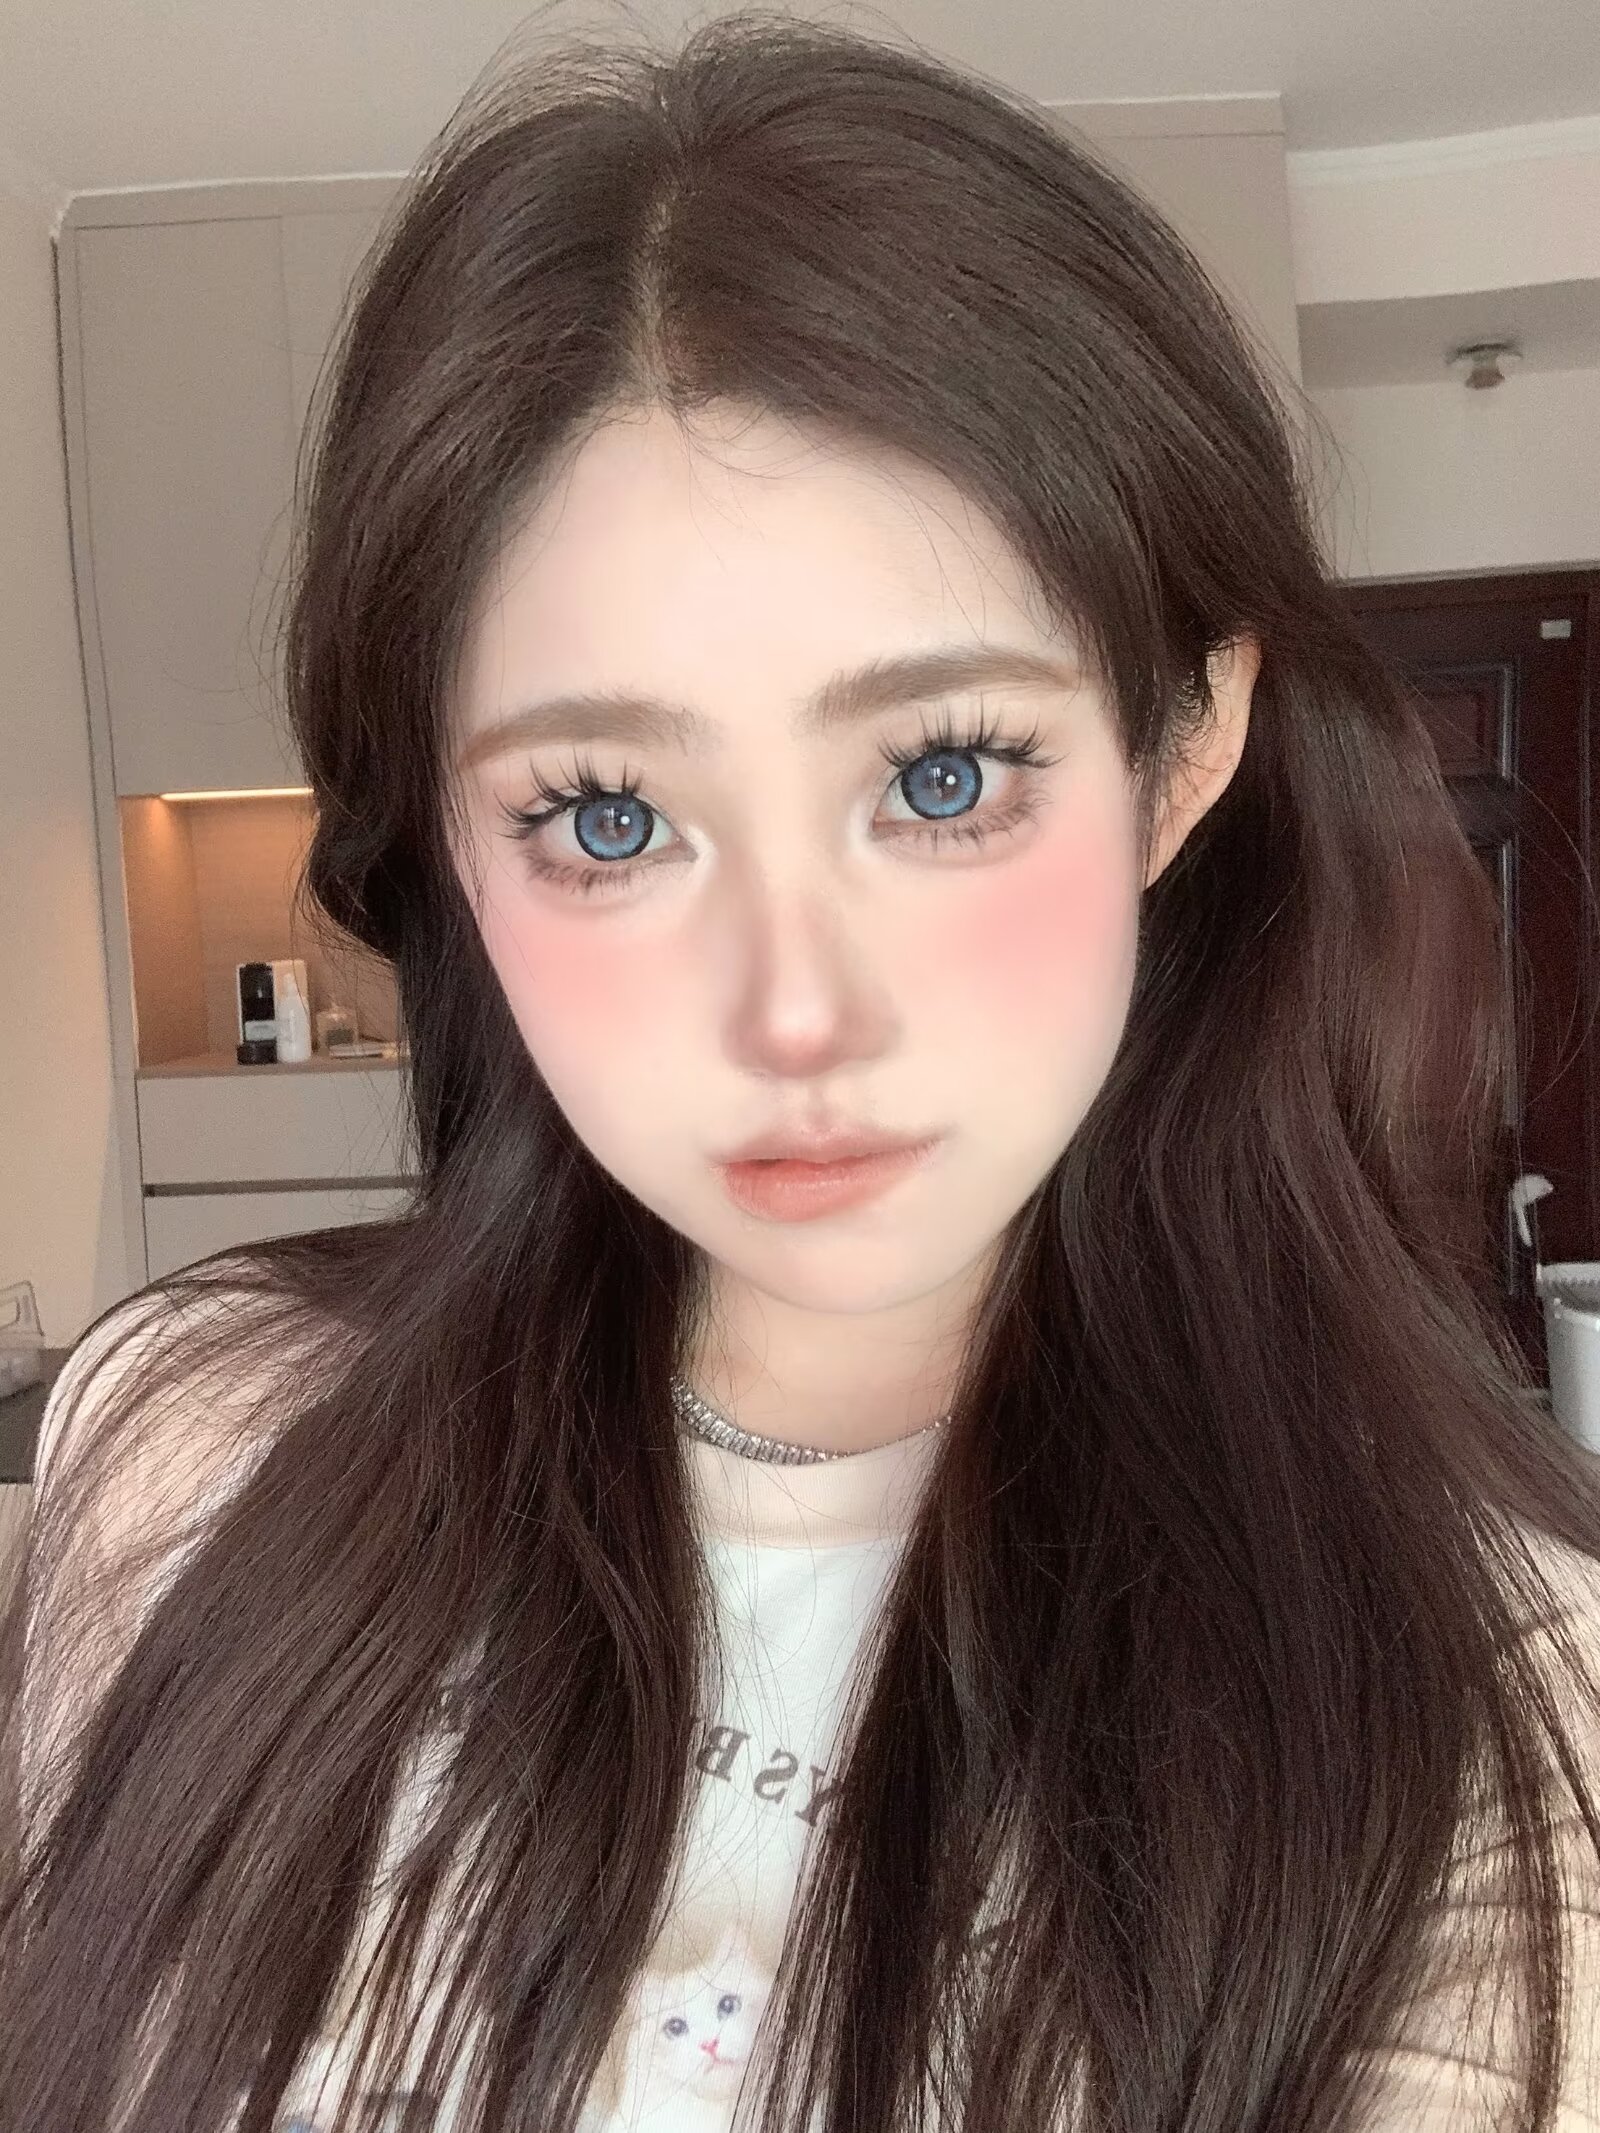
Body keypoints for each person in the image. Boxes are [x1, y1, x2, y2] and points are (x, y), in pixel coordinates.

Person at [5, 12, 1600, 2131]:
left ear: (1182, 746)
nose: (792, 1012)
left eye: (940, 775)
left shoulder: (1491, 1718)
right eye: (605, 814)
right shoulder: (190, 1438)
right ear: (451, 842)